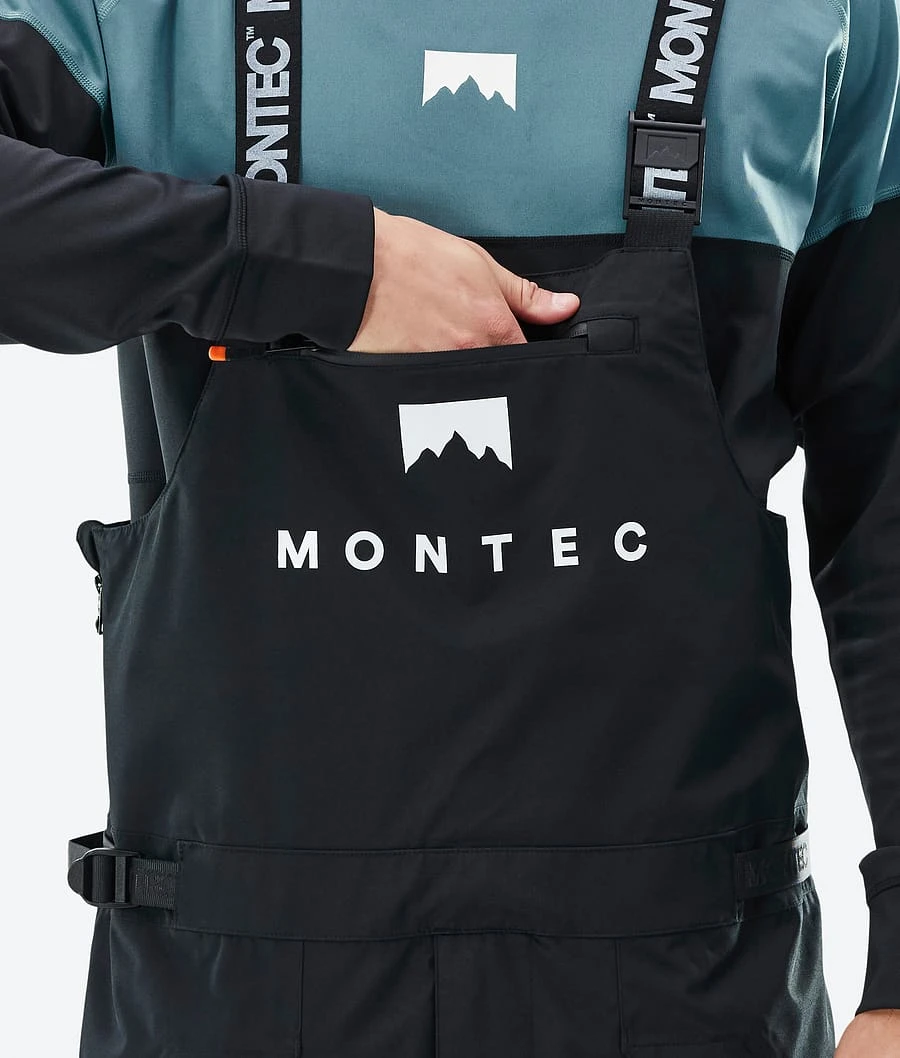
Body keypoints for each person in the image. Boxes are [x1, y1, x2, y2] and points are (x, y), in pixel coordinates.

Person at [2, 1, 899, 1056]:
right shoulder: (132, 14)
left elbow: (884, 492)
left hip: (691, 995)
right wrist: (321, 266)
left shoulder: (818, 15)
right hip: (231, 995)